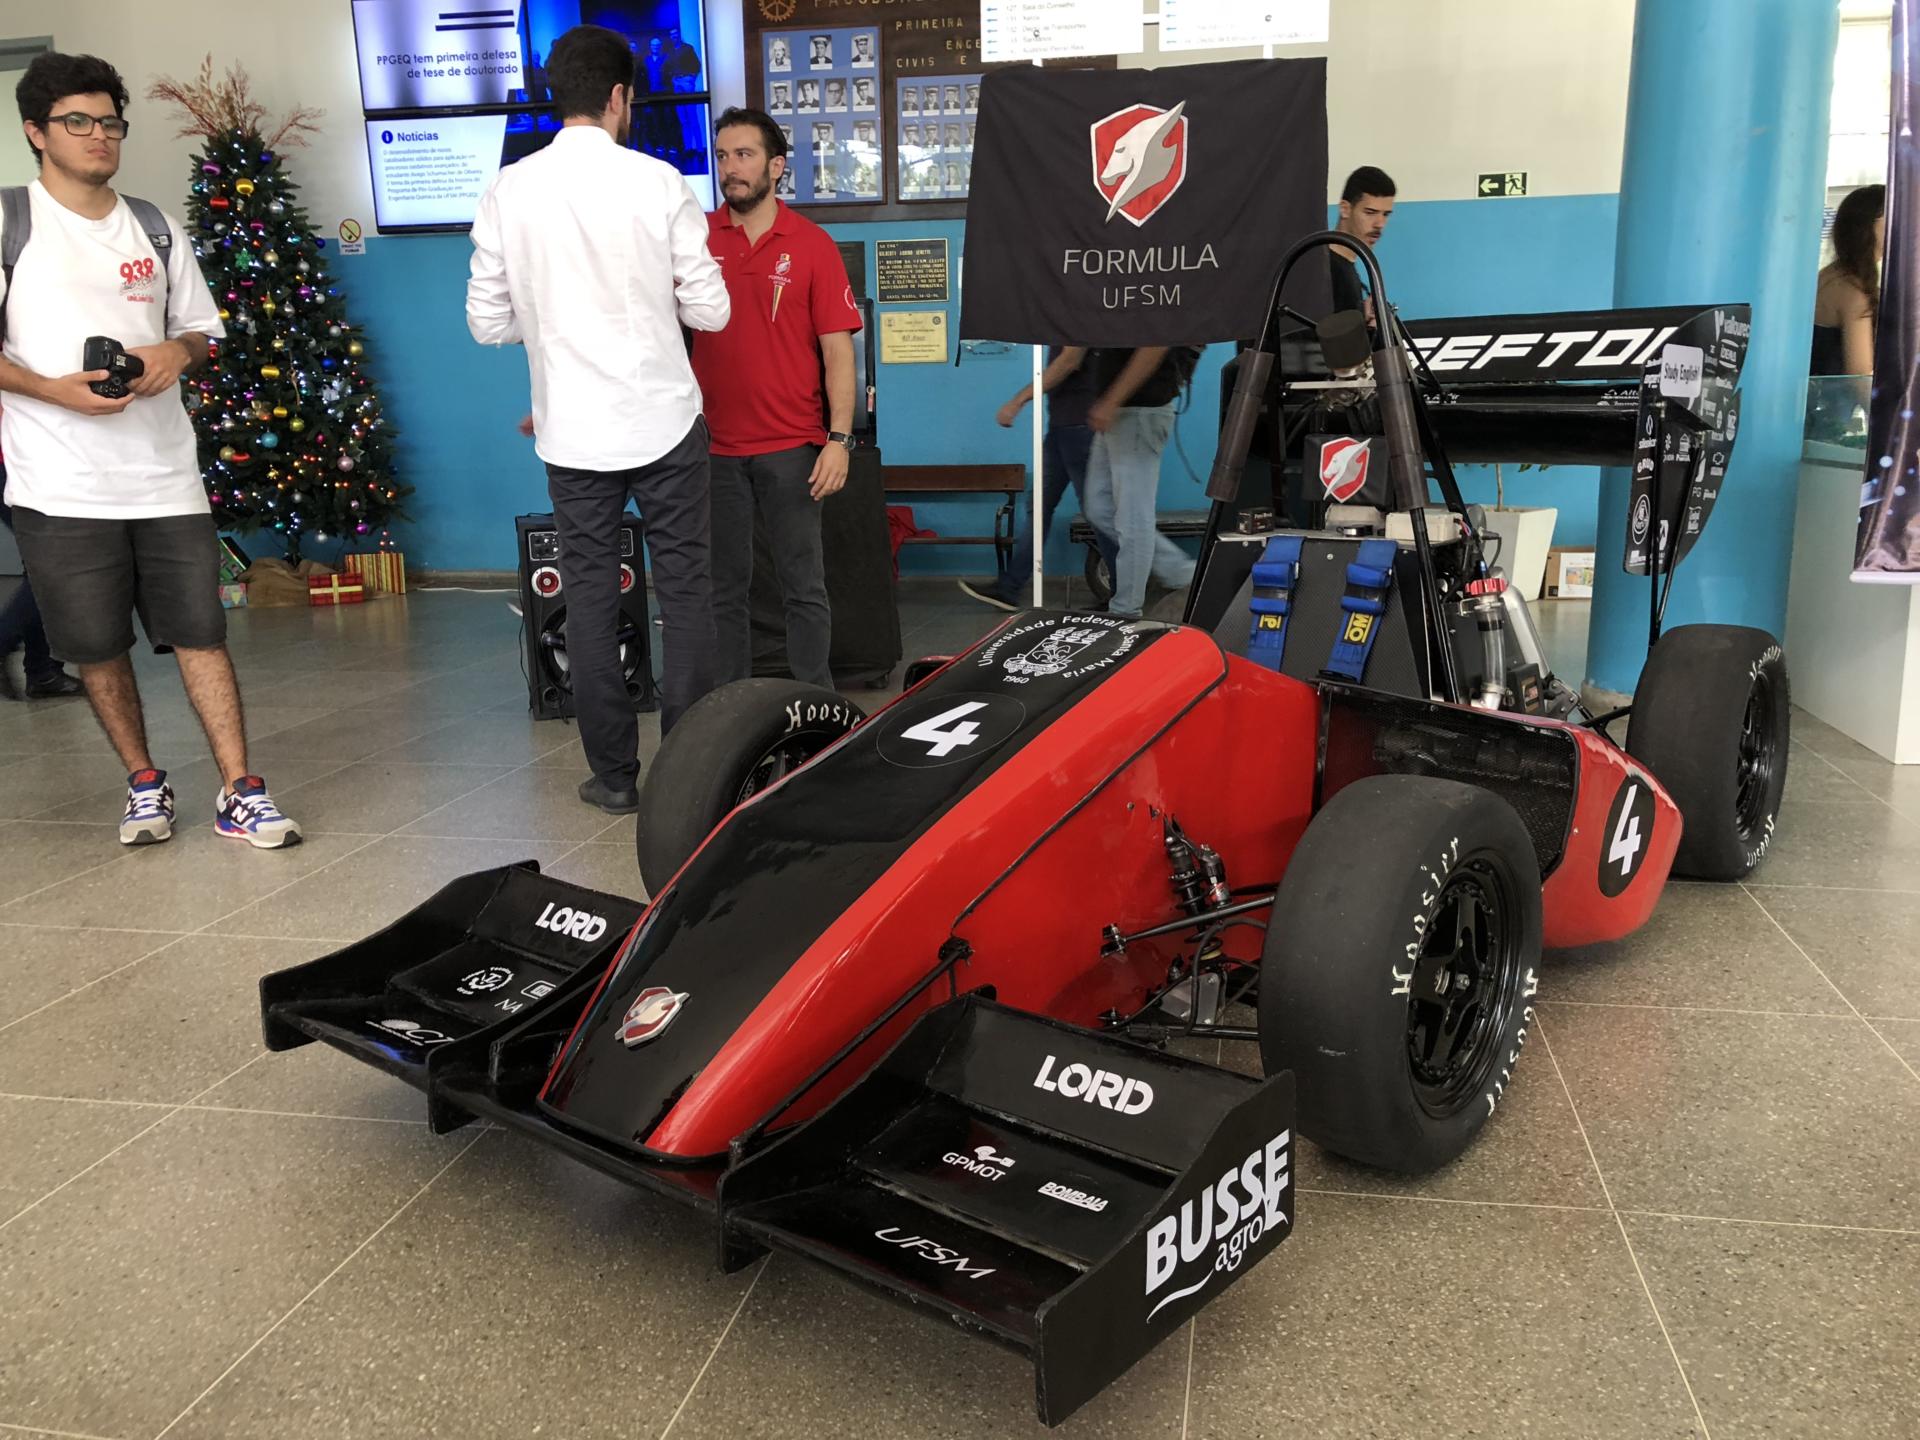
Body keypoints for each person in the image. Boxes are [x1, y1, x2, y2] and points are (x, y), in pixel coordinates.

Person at [0, 51, 299, 848]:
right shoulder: (10, 224)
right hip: (59, 485)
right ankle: (143, 782)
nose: (99, 135)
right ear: (36, 131)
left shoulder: (154, 226)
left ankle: (240, 790)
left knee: (202, 632)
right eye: (77, 122)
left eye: (110, 122)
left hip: (166, 477)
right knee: (98, 648)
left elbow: (200, 330)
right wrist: (50, 389)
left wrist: (176, 353)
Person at [467, 25, 729, 814]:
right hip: (666, 423)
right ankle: (689, 777)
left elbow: (487, 321)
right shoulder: (660, 182)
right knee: (685, 593)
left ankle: (614, 777)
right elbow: (710, 311)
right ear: (620, 97)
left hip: (573, 433)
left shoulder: (509, 190)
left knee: (587, 598)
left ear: (559, 95)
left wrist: (554, 324)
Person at [695, 108, 863, 690]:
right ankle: (729, 712)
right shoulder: (694, 241)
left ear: (776, 167)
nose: (730, 168)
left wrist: (840, 440)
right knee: (723, 591)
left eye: (744, 155)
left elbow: (838, 352)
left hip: (793, 447)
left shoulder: (813, 245)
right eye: (722, 156)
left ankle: (816, 706)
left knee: (803, 587)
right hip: (712, 449)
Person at [959, 347, 1116, 612]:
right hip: (1061, 429)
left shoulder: (1077, 324)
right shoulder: (1063, 325)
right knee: (1040, 508)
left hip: (1080, 428)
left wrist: (1018, 400)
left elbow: (1069, 361)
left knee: (1098, 513)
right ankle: (1009, 589)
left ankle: (1122, 595)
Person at [1077, 348, 1199, 619]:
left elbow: (1154, 347)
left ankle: (1125, 611)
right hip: (1120, 411)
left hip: (1138, 411)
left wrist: (1111, 400)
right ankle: (1181, 572)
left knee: (1132, 518)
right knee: (1099, 508)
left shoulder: (1147, 318)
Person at [1813, 183, 1885, 375]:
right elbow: (1860, 377)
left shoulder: (1830, 276)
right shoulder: (1853, 292)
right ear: (1869, 226)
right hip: (1832, 394)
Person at [1332, 165, 1395, 321]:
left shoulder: (1347, 268)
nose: (1380, 224)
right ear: (1345, 209)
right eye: (1370, 213)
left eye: (1386, 214)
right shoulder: (1325, 270)